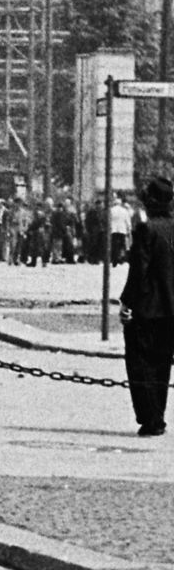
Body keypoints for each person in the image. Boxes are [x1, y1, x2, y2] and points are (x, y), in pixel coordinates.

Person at [119, 177, 174, 437]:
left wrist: (127, 301)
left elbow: (139, 270)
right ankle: (158, 416)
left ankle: (150, 418)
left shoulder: (146, 230)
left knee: (141, 362)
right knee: (162, 364)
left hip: (147, 309)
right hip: (171, 310)